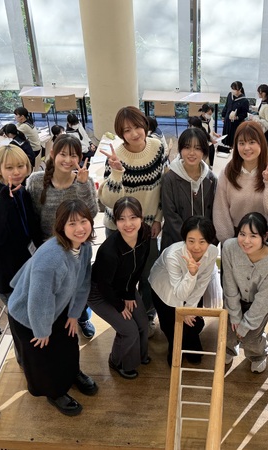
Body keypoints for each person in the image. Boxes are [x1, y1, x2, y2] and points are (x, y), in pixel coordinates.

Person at [8, 199, 97, 416]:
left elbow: (83, 281)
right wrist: (41, 330)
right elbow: (39, 300)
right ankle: (54, 393)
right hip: (28, 315)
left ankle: (73, 373)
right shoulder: (51, 258)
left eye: (83, 221)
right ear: (61, 227)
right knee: (43, 357)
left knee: (68, 342)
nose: (80, 228)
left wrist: (74, 314)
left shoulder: (84, 246)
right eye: (72, 224)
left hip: (58, 307)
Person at [98, 106, 165, 336]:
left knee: (148, 274)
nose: (134, 133)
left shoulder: (158, 147)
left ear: (145, 125)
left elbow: (161, 186)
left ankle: (147, 314)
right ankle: (124, 318)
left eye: (137, 126)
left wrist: (158, 218)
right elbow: (108, 200)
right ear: (121, 133)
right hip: (118, 228)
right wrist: (117, 172)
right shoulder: (116, 156)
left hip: (147, 227)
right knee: (121, 277)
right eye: (127, 130)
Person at [27, 134, 98, 338]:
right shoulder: (36, 181)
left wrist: (83, 185)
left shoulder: (84, 181)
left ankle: (81, 317)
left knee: (78, 285)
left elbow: (92, 214)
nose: (68, 160)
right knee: (53, 290)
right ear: (52, 154)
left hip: (77, 247)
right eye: (63, 154)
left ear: (80, 158)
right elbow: (32, 218)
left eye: (73, 155)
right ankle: (53, 324)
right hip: (47, 250)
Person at [87, 197, 152, 379]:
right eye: (121, 219)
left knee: (142, 323)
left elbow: (139, 267)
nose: (128, 224)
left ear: (141, 217)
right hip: (100, 293)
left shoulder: (145, 233)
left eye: (133, 217)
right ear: (115, 222)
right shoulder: (109, 251)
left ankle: (140, 355)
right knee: (129, 330)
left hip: (124, 287)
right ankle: (118, 362)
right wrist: (120, 305)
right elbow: (103, 285)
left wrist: (129, 293)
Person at [0, 145, 43, 304]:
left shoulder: (21, 190)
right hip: (10, 278)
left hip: (28, 268)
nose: (17, 172)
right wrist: (3, 199)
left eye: (21, 166)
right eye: (9, 168)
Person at [149, 216, 218, 365]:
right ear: (184, 239)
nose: (196, 247)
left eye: (202, 241)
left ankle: (191, 344)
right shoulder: (173, 255)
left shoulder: (212, 252)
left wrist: (189, 308)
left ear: (210, 241)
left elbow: (203, 282)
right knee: (171, 326)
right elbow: (179, 293)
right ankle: (174, 348)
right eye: (191, 241)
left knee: (193, 322)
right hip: (164, 288)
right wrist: (192, 274)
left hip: (190, 286)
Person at [223, 212, 268, 373]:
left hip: (259, 305)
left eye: (253, 236)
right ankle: (229, 350)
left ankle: (258, 356)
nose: (246, 241)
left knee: (251, 339)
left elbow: (265, 299)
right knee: (229, 332)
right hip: (234, 299)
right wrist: (235, 314)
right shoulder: (229, 247)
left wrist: (245, 325)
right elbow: (229, 283)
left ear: (265, 236)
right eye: (242, 234)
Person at [213, 121, 268, 243]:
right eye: (241, 143)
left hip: (262, 237)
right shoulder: (228, 172)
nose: (246, 148)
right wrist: (228, 242)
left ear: (261, 143)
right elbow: (220, 210)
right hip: (235, 236)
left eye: (252, 142)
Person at [161, 128, 217, 250]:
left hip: (202, 244)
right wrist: (190, 242)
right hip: (175, 243)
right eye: (187, 147)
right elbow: (170, 215)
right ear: (180, 150)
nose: (192, 153)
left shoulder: (211, 179)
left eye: (197, 148)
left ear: (204, 151)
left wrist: (206, 241)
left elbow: (214, 214)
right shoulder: (169, 178)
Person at [221, 81, 249, 149]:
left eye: (234, 89)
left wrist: (237, 117)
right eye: (232, 89)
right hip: (227, 121)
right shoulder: (230, 95)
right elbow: (226, 106)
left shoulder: (244, 101)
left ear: (239, 90)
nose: (233, 91)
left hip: (236, 124)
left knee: (234, 140)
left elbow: (245, 113)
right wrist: (223, 116)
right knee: (225, 138)